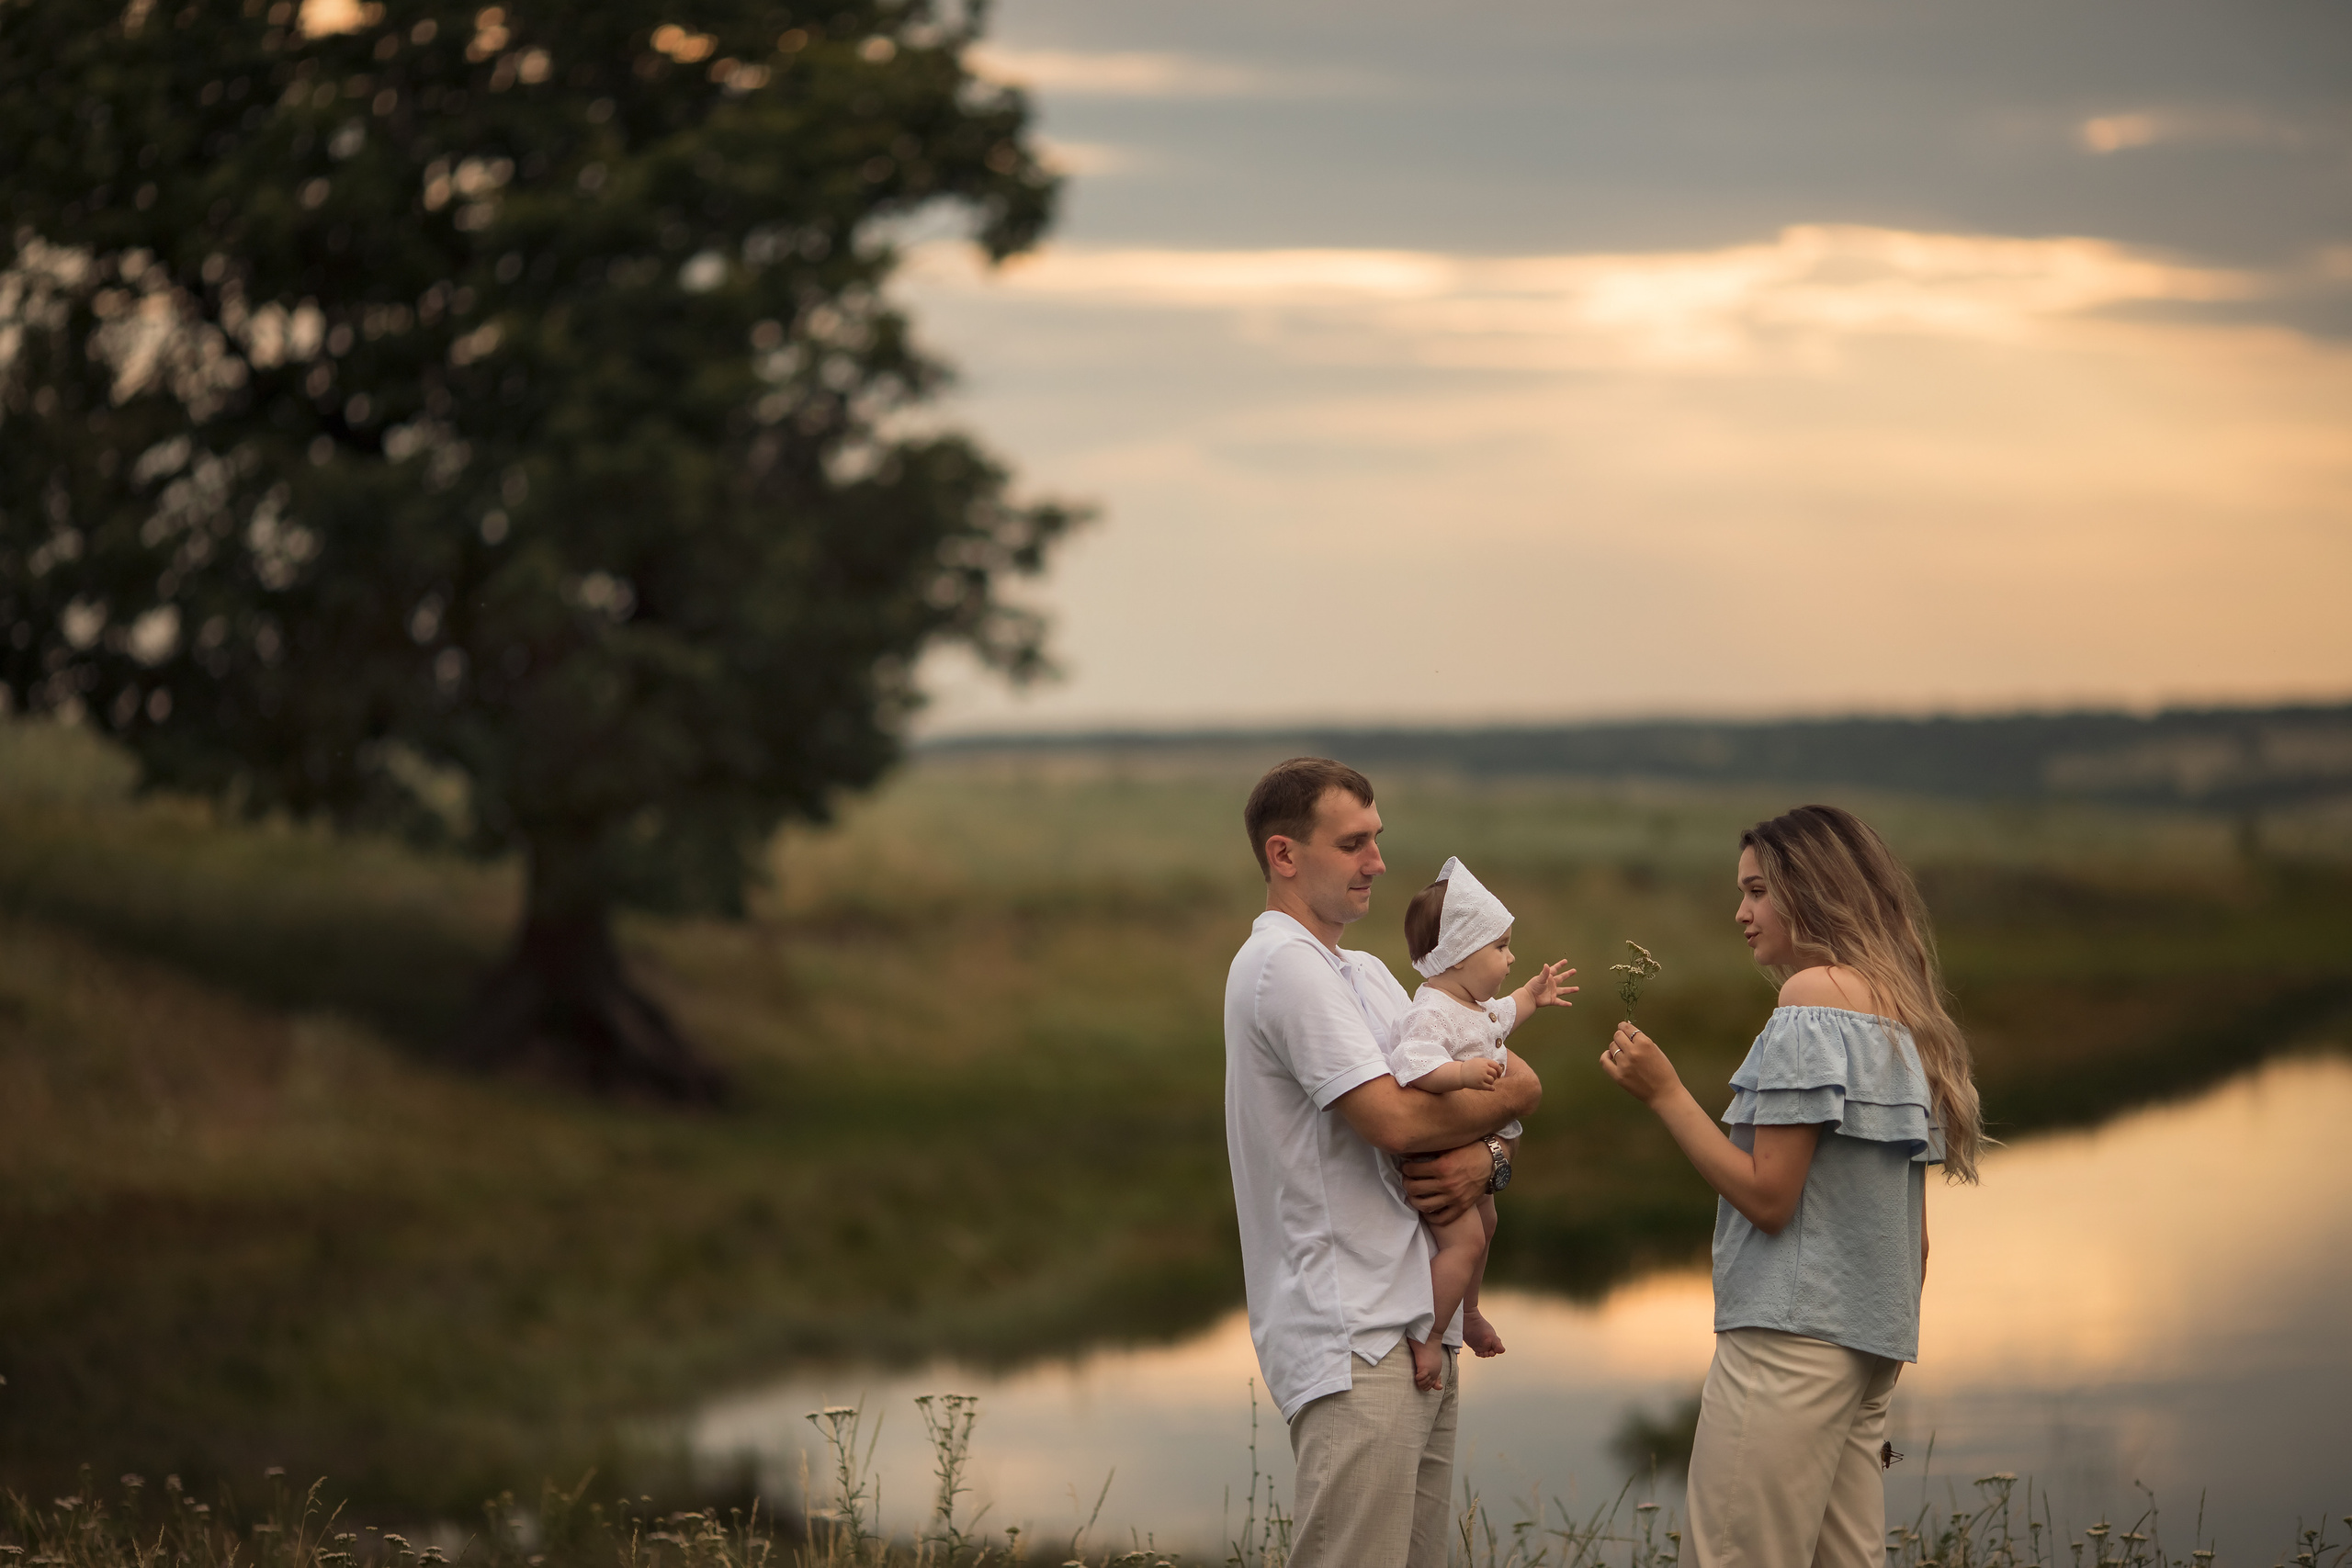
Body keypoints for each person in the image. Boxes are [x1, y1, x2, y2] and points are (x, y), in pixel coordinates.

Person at [1598, 804, 1985, 1568]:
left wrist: (1665, 1091)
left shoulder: (1809, 999)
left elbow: (1770, 1197)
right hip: (1869, 1343)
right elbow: (1916, 1236)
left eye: (1757, 890)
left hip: (1789, 1338)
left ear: (1811, 891)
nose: (1741, 912)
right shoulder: (1900, 1010)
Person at [1225, 758, 1542, 1568]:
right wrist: (1512, 1101)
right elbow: (1399, 1118)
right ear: (1284, 854)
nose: (1378, 862)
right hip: (1351, 1333)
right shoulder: (1281, 967)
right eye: (1354, 842)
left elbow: (1480, 1086)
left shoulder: (1362, 970)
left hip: (1415, 1326)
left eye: (1378, 839)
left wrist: (1491, 1160)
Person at [1390, 856, 1577, 1388]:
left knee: (1487, 1226)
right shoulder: (1430, 1010)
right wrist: (1462, 1073)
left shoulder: (1469, 1004)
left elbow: (1503, 1014)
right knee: (1465, 1242)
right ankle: (1429, 1334)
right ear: (1457, 956)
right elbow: (1415, 1064)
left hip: (1472, 1148)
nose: (1511, 958)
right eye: (1500, 948)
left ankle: (1468, 1312)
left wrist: (1533, 998)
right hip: (1438, 1156)